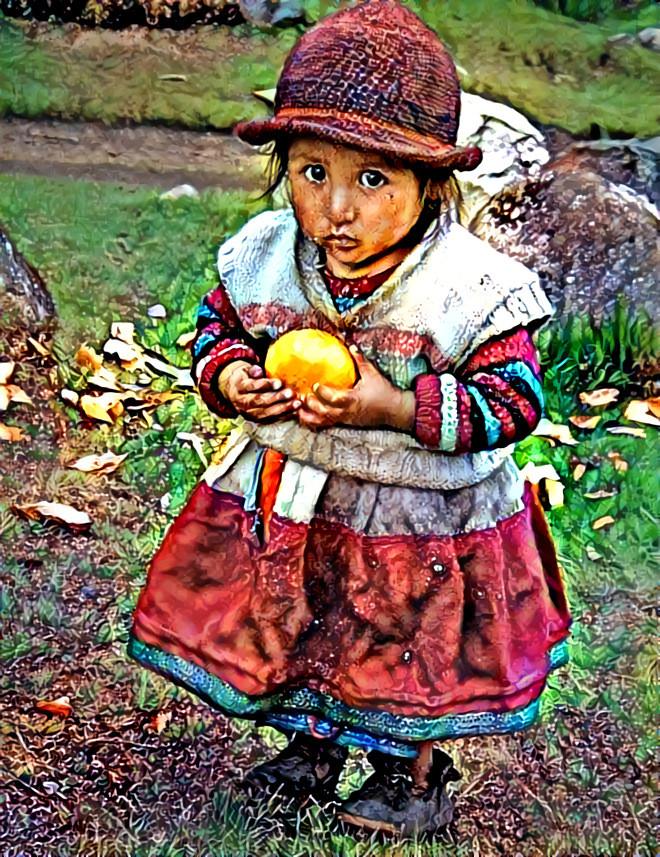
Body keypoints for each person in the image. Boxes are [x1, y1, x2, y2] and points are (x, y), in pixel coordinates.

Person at [129, 0, 571, 838]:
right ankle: (310, 748)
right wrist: (233, 376)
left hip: (421, 518)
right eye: (311, 171)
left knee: (406, 640)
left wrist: (396, 404)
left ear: (431, 186)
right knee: (308, 618)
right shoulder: (266, 257)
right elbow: (217, 330)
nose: (336, 208)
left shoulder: (469, 290)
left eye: (373, 179)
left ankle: (413, 775)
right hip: (300, 497)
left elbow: (512, 402)